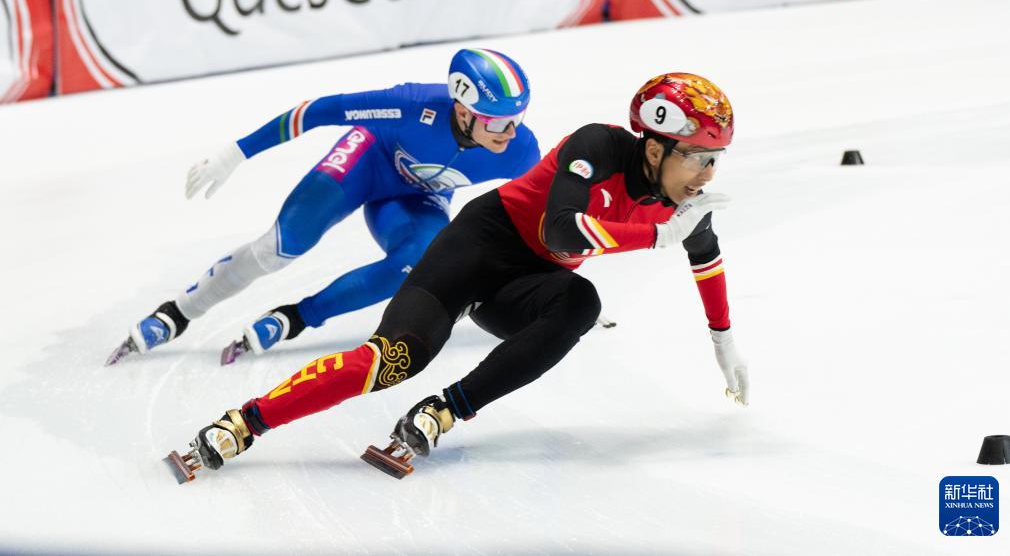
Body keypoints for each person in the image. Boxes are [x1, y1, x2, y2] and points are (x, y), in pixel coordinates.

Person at [167, 73, 749, 481]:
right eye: (697, 155)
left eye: (714, 158)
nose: (707, 172)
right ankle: (244, 423)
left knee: (579, 305)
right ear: (653, 147)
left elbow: (708, 262)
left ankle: (445, 410)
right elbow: (562, 232)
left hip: (521, 287)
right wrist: (654, 236)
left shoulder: (684, 206)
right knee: (391, 360)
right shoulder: (595, 145)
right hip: (476, 247)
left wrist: (724, 345)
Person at [107, 49, 540, 366]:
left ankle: (296, 317)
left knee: (420, 262)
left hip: (413, 199)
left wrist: (545, 295)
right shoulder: (411, 105)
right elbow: (314, 111)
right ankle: (179, 312)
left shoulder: (520, 149)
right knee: (281, 247)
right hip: (367, 159)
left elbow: (538, 218)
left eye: (516, 119)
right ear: (463, 111)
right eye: (498, 121)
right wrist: (235, 154)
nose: (509, 132)